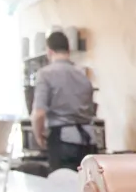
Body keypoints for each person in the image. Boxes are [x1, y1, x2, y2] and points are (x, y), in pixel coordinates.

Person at [31, 31, 96, 172]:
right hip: (88, 140)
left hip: (62, 141)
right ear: (68, 50)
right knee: (85, 188)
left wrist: (38, 135)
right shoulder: (82, 74)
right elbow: (91, 109)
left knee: (61, 190)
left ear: (49, 51)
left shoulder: (45, 74)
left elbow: (39, 113)